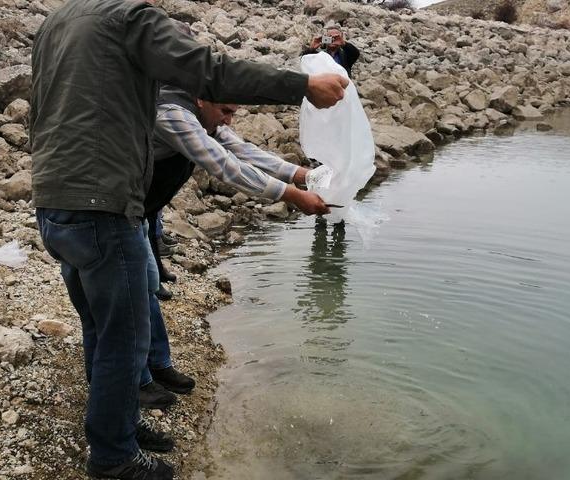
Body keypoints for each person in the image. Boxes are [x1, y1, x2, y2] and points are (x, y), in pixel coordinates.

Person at [29, 0, 348, 478]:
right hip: (104, 206)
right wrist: (302, 86)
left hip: (56, 199)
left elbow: (40, 106)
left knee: (100, 325)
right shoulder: (130, 18)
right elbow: (210, 71)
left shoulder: (56, 23)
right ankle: (113, 456)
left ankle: (117, 425)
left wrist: (299, 175)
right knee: (125, 337)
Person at [137, 84, 333, 412]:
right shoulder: (173, 116)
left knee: (149, 287)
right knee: (135, 294)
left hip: (141, 212)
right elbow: (226, 166)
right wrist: (293, 195)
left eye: (233, 113)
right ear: (201, 99)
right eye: (225, 111)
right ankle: (139, 381)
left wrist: (304, 175)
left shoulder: (206, 120)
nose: (228, 120)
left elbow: (244, 151)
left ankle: (158, 365)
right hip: (122, 213)